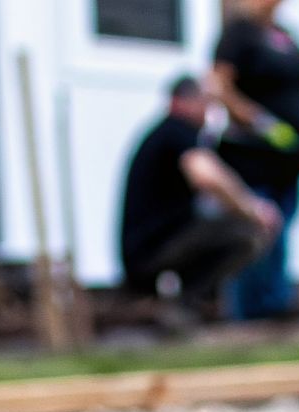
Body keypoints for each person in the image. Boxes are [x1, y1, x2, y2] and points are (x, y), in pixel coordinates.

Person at [119, 76, 284, 326]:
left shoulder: (169, 134)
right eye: (206, 103)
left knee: (224, 225)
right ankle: (185, 304)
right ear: (182, 102)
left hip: (152, 244)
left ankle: (194, 303)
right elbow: (207, 177)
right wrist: (253, 209)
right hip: (151, 248)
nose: (210, 112)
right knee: (248, 233)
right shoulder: (176, 131)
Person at [210, 0, 299, 320]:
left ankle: (276, 308)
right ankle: (247, 315)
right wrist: (260, 122)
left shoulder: (286, 34)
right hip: (251, 156)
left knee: (281, 230)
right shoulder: (237, 35)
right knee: (256, 230)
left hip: (288, 158)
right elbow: (219, 87)